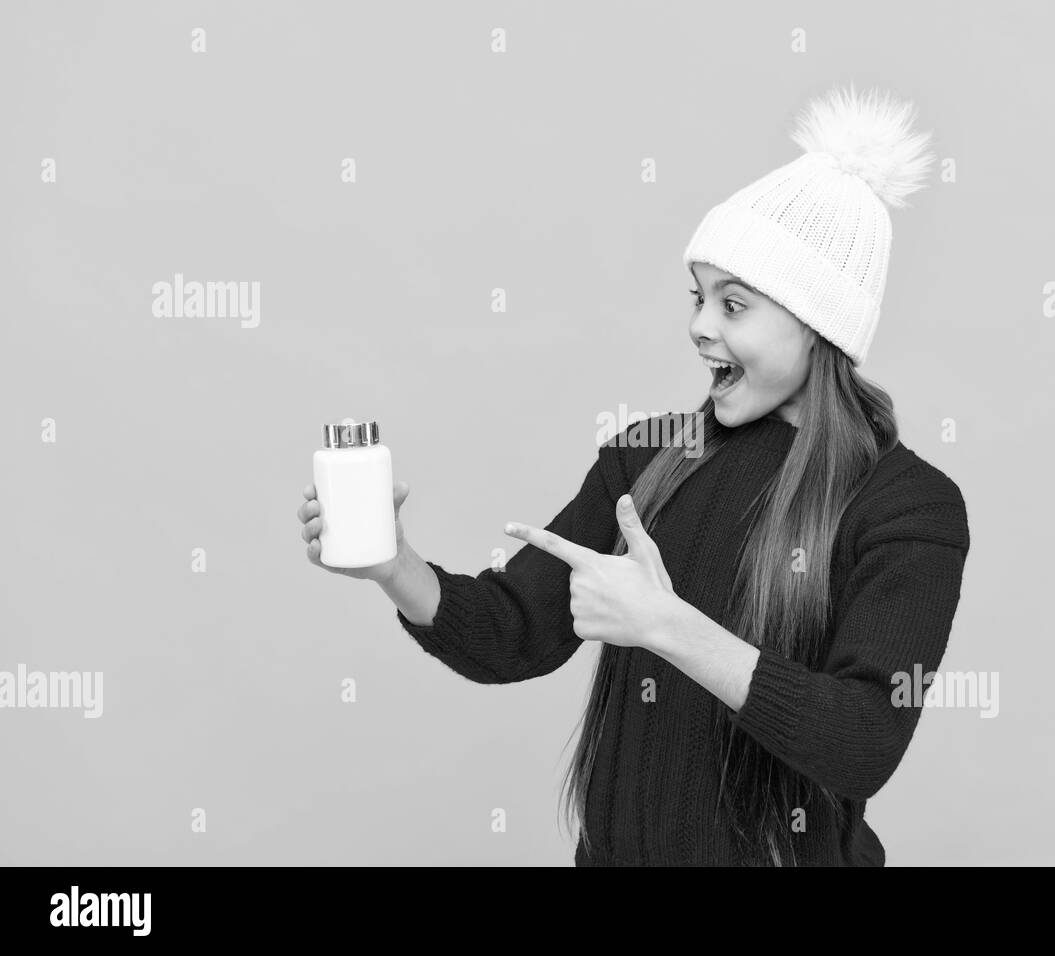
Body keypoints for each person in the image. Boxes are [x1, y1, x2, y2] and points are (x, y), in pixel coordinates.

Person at [298, 83, 970, 866]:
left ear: (818, 324)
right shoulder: (644, 459)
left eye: (734, 305)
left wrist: (667, 626)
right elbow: (511, 634)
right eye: (697, 298)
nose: (698, 326)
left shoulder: (907, 507)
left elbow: (863, 741)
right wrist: (394, 567)